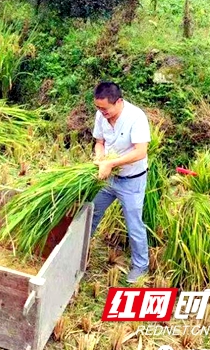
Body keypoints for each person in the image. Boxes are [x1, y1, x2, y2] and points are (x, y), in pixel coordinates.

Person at [90, 82, 151, 283]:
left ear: (119, 102)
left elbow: (140, 151)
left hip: (132, 181)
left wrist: (111, 162)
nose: (101, 112)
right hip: (108, 179)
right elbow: (99, 142)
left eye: (105, 109)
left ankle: (140, 266)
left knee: (134, 225)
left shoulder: (136, 117)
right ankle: (79, 252)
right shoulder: (101, 115)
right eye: (98, 108)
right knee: (91, 213)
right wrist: (100, 158)